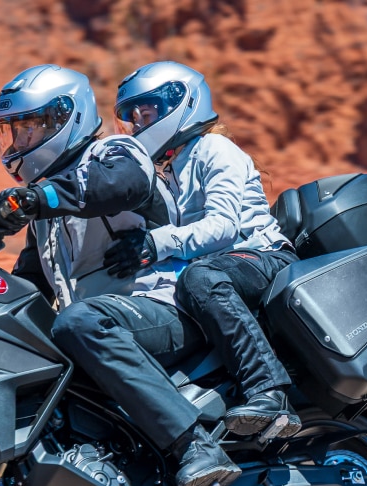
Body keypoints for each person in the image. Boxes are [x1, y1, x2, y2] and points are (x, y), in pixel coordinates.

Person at [0, 64, 240, 486]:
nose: (19, 143)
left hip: (164, 310)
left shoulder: (115, 154)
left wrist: (40, 199)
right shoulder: (46, 219)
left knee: (78, 322)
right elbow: (28, 289)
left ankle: (197, 446)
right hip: (109, 331)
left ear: (64, 119)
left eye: (28, 129)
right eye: (12, 131)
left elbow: (121, 187)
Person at [112, 61, 302, 439]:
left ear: (181, 105)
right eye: (133, 118)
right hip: (223, 266)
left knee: (200, 277)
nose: (139, 126)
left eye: (146, 114)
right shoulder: (168, 168)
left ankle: (269, 389)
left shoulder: (214, 148)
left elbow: (222, 227)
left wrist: (155, 243)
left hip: (265, 257)